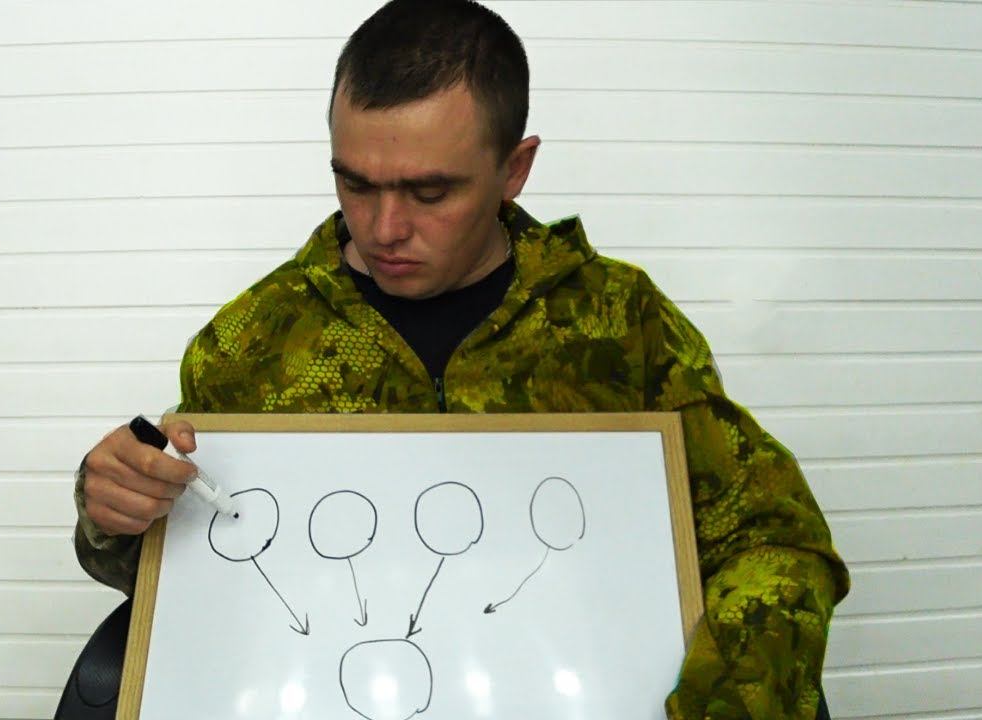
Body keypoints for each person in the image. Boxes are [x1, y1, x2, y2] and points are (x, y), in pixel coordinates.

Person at [72, 1, 849, 717]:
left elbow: (771, 539)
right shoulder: (251, 342)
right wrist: (115, 513)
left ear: (515, 168)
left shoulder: (617, 325)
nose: (385, 228)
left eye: (431, 193)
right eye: (355, 184)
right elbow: (195, 580)